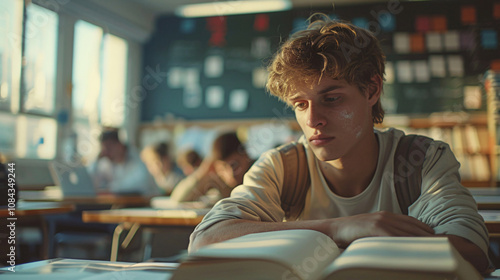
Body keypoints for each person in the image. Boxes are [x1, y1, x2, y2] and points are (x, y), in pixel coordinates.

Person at [188, 15, 490, 273]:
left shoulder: (422, 159)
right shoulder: (283, 166)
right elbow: (205, 239)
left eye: (331, 99)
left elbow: (472, 251)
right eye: (300, 104)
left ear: (371, 90)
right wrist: (339, 228)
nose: (313, 120)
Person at [170, 132, 254, 205]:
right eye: (223, 167)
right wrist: (202, 171)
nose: (230, 173)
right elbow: (178, 199)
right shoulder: (215, 178)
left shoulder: (259, 172)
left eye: (234, 165)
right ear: (215, 166)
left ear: (245, 156)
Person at [88, 127, 160, 196]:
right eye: (103, 148)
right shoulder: (107, 163)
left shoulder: (136, 158)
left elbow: (138, 184)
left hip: (146, 205)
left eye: (109, 148)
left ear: (120, 145)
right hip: (124, 205)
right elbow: (89, 181)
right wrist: (97, 160)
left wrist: (110, 187)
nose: (106, 152)